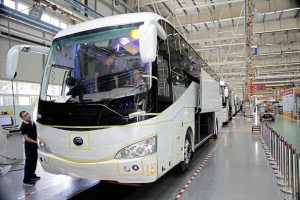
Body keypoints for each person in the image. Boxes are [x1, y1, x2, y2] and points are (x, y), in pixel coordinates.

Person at [19, 111, 40, 186]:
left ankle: (32, 176)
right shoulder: (24, 126)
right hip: (29, 147)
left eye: (27, 114)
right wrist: (35, 142)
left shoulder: (32, 122)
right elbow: (26, 138)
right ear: (22, 118)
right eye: (25, 116)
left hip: (34, 145)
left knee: (34, 161)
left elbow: (35, 133)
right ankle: (26, 180)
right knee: (29, 163)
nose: (27, 116)